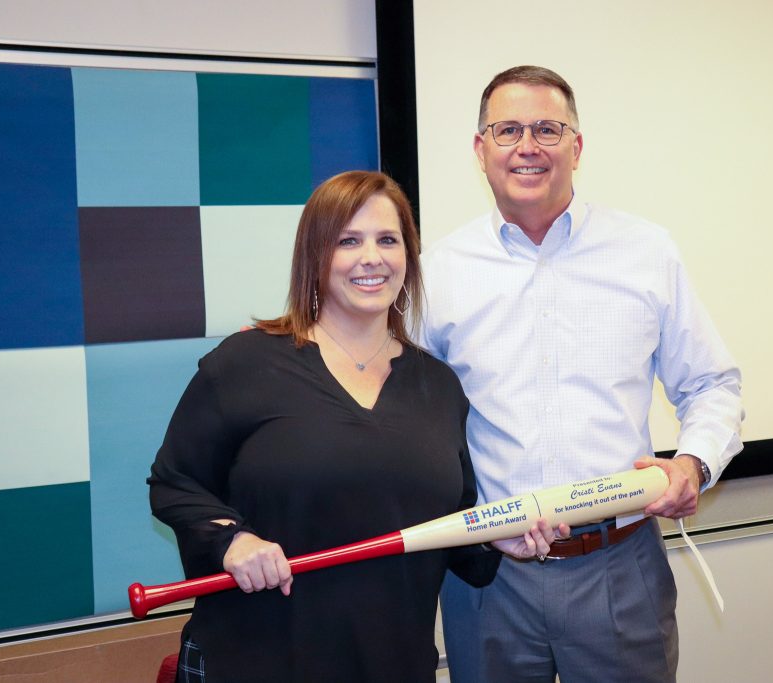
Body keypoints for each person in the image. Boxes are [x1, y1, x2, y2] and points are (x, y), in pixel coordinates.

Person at [147, 170, 556, 682]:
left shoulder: (439, 386)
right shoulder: (244, 363)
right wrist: (232, 541)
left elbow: (442, 523)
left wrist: (494, 540)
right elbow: (175, 483)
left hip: (391, 662)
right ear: (315, 255)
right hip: (257, 660)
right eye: (348, 241)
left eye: (387, 240)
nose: (371, 258)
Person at [420, 66, 745, 682]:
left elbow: (712, 385)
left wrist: (692, 464)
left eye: (548, 129)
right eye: (508, 130)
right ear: (480, 149)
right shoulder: (437, 272)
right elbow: (403, 419)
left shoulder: (646, 251)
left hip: (619, 566)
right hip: (490, 578)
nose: (528, 146)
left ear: (577, 146)